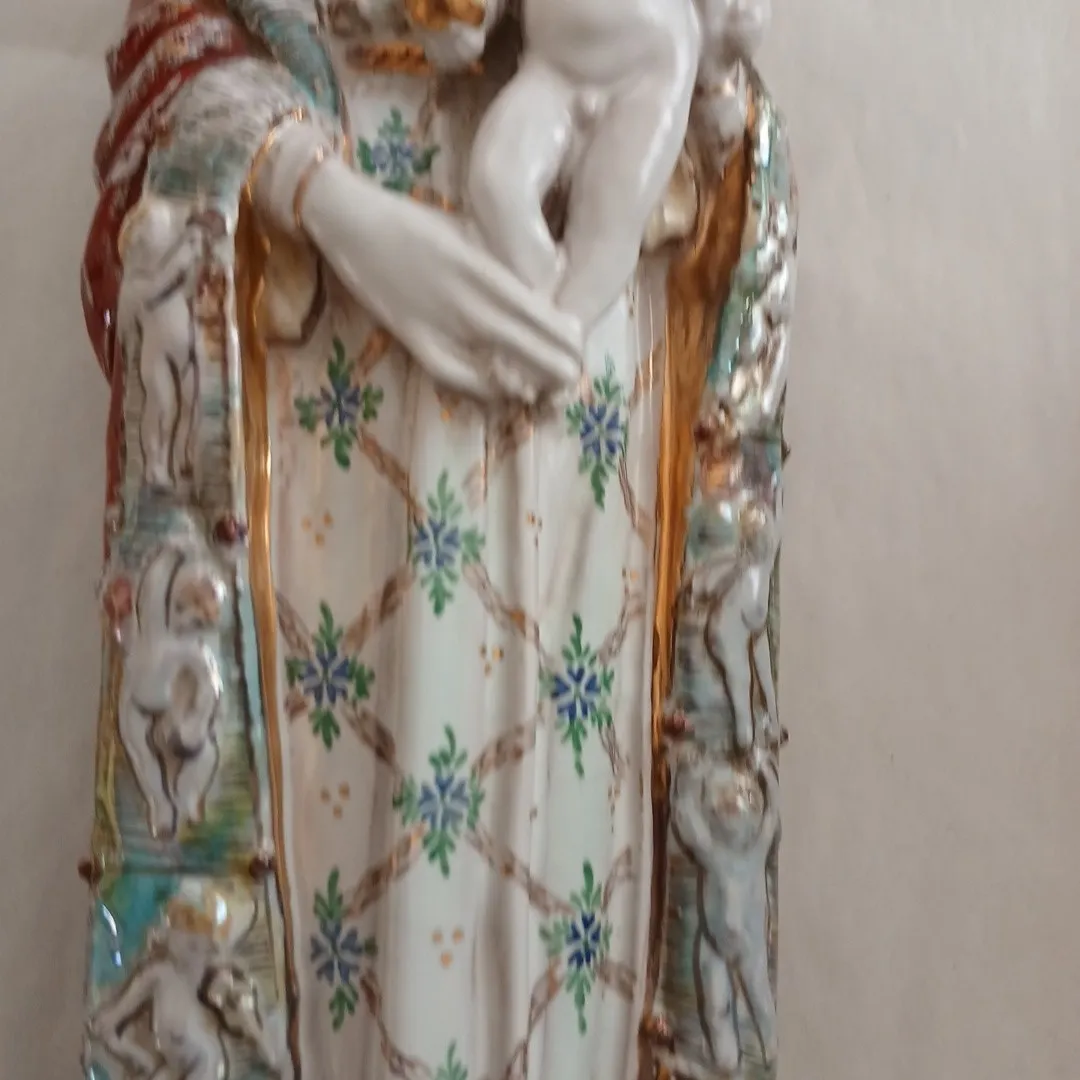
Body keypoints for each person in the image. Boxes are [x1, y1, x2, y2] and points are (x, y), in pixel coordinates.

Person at [79, 1, 797, 1078]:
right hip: (338, 305)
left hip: (582, 335)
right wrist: (319, 196)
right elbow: (184, 42)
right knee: (339, 848)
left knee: (576, 849)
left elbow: (716, 75)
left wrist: (676, 81)